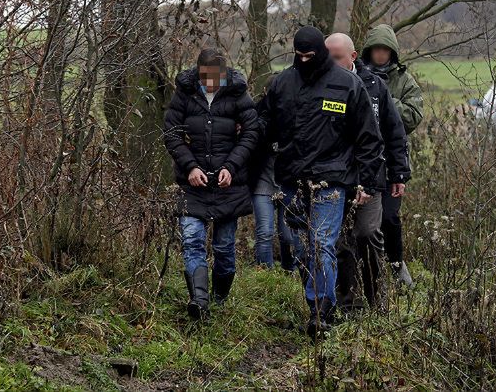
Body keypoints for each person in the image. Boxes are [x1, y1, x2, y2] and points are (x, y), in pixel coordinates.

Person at [258, 26, 384, 336]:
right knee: (295, 245)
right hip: (290, 180)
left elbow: (369, 138)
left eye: (309, 56)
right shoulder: (282, 84)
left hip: (331, 181)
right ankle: (318, 296)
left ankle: (322, 313)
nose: (304, 61)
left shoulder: (348, 85)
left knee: (321, 244)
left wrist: (366, 182)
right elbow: (262, 124)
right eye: (298, 56)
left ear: (321, 54)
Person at [164, 48, 258, 319]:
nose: (211, 83)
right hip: (192, 184)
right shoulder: (184, 93)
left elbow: (251, 133)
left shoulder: (238, 94)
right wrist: (190, 166)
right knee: (192, 240)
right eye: (206, 77)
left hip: (229, 184)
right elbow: (171, 133)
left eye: (216, 78)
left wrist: (231, 166)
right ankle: (199, 301)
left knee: (224, 247)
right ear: (198, 73)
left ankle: (219, 299)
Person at [326, 33, 411, 310]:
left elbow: (394, 131)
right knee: (341, 240)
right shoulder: (320, 83)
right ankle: (347, 303)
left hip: (371, 174)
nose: (330, 62)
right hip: (334, 175)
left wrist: (398, 173)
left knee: (367, 232)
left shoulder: (375, 85)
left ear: (352, 57)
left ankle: (377, 300)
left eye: (336, 57)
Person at [361, 24, 423, 286]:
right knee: (364, 223)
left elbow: (413, 116)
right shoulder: (357, 75)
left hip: (393, 157)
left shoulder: (405, 81)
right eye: (376, 49)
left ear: (393, 52)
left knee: (389, 217)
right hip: (363, 158)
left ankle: (397, 265)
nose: (380, 55)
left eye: (385, 50)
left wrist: (383, 101)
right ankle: (366, 269)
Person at [249, 76, 304, 271]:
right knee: (264, 232)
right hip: (262, 183)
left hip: (288, 183)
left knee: (288, 234)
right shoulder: (258, 115)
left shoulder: (299, 115)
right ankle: (266, 274)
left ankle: (290, 270)